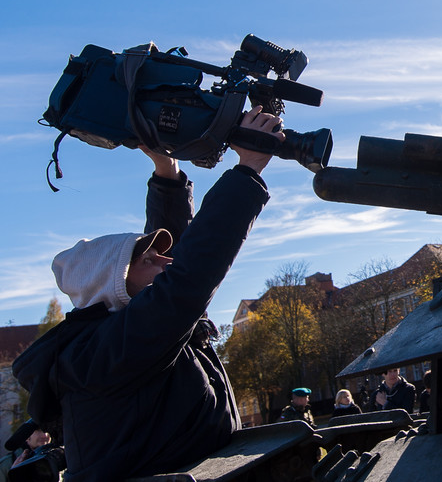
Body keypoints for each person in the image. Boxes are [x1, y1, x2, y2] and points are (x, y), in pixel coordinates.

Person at [12, 106, 284, 481]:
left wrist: (167, 173)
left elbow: (178, 264)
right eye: (149, 260)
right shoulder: (106, 350)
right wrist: (248, 168)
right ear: (115, 284)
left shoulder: (124, 334)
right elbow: (190, 277)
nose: (166, 263)